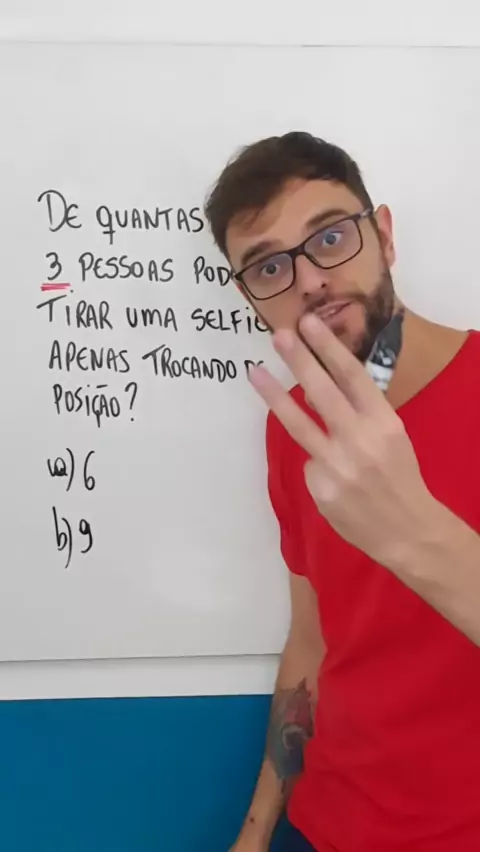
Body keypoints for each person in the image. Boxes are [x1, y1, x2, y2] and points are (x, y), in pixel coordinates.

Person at [203, 132, 480, 852]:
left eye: (330, 236)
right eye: (269, 266)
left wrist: (415, 533)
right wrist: (254, 834)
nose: (310, 281)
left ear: (383, 235)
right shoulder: (291, 430)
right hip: (334, 825)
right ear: (251, 299)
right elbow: (312, 639)